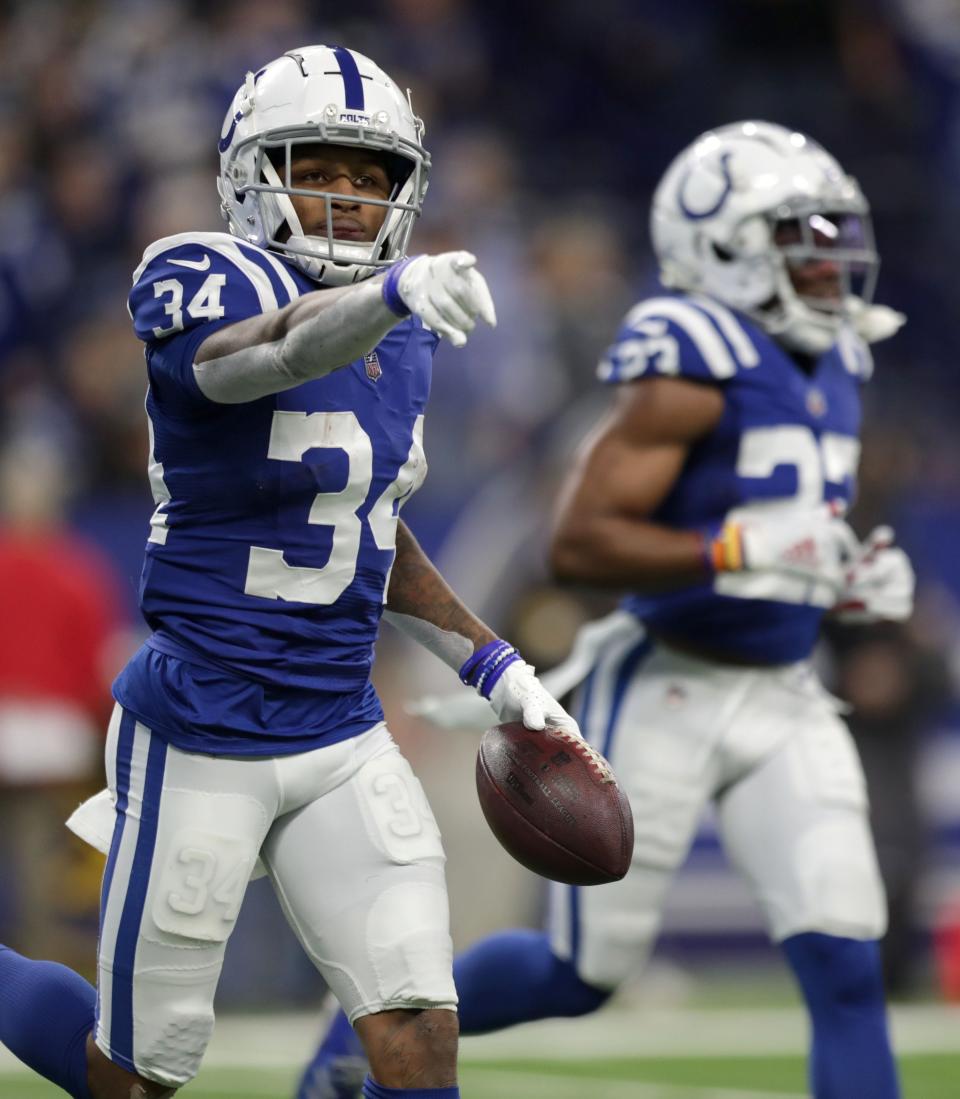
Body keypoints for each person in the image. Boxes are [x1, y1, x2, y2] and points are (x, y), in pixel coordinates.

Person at [0, 45, 581, 1099]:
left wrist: (493, 664)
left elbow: (366, 524)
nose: (348, 199)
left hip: (339, 734)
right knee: (133, 1074)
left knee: (416, 1032)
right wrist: (393, 294)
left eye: (373, 179)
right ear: (248, 174)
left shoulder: (402, 328)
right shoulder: (199, 272)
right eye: (319, 168)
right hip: (200, 726)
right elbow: (253, 357)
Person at [301, 121, 915, 1099]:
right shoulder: (687, 357)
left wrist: (845, 579)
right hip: (669, 680)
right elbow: (577, 540)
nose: (831, 255)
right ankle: (359, 1031)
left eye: (835, 230)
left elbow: (794, 533)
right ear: (721, 244)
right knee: (578, 976)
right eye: (802, 232)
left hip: (790, 689)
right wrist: (739, 549)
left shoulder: (841, 358)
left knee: (847, 958)